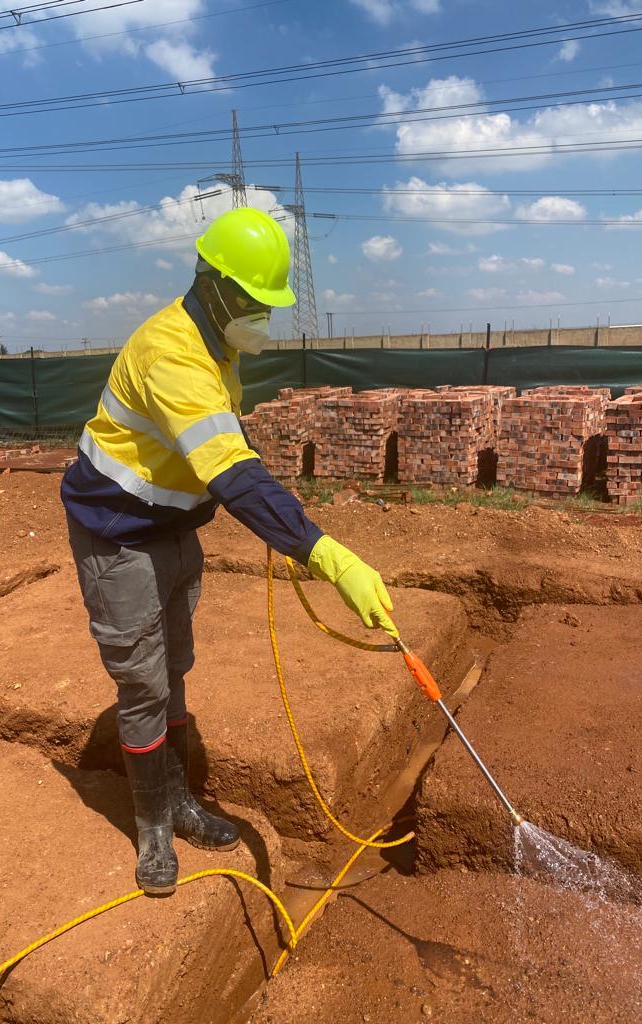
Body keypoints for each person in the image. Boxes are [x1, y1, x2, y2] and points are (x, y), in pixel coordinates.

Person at [61, 207, 397, 896]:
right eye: (253, 301)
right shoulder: (172, 354)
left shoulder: (217, 346)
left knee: (174, 668)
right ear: (212, 286)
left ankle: (179, 799)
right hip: (117, 533)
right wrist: (326, 555)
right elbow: (233, 472)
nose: (263, 318)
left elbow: (224, 448)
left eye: (268, 304)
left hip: (172, 528)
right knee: (143, 682)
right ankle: (154, 825)